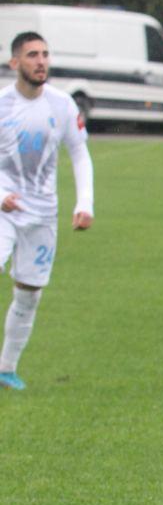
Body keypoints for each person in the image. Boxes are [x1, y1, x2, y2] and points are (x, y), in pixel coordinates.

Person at [0, 32, 94, 391]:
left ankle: (6, 369)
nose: (41, 61)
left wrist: (84, 203)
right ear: (15, 63)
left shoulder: (62, 105)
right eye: (31, 55)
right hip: (4, 209)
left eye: (44, 54)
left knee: (29, 293)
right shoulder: (3, 105)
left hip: (42, 215)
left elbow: (80, 153)